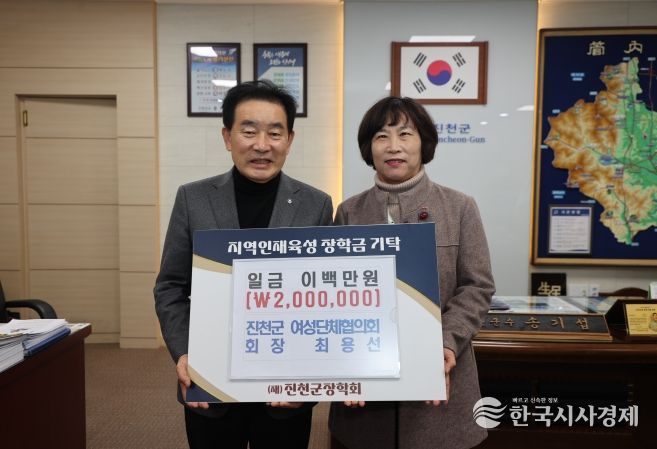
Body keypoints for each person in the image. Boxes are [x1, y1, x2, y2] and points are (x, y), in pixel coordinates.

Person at [154, 80, 333, 449]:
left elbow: (324, 298)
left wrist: (311, 374)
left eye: (275, 133)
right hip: (210, 380)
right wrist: (185, 352)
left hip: (285, 388)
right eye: (249, 131)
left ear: (290, 140)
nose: (262, 145)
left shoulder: (315, 204)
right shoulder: (192, 198)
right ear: (227, 136)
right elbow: (171, 286)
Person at [329, 96, 495, 449]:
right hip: (364, 395)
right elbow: (336, 300)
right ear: (369, 147)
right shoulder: (348, 212)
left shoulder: (459, 207)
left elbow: (477, 287)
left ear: (423, 142)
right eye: (381, 136)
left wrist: (445, 342)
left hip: (441, 387)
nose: (394, 146)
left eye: (405, 134)